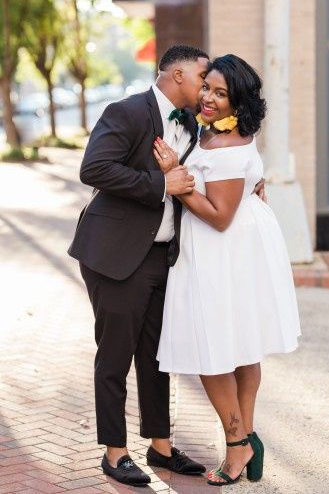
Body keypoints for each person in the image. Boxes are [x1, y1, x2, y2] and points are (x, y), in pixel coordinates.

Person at [154, 54, 301, 486]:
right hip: (238, 245)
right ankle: (246, 437)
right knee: (237, 346)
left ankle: (237, 444)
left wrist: (176, 178)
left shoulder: (227, 147)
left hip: (221, 247)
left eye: (221, 94)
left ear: (238, 103)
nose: (209, 98)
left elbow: (218, 215)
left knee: (212, 351)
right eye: (207, 88)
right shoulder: (220, 132)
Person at [68, 45, 211, 487]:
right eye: (203, 79)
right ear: (179, 75)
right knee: (115, 356)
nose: (207, 89)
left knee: (157, 357)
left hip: (163, 256)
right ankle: (115, 452)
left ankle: (161, 448)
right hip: (116, 255)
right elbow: (94, 168)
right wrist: (158, 183)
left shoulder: (193, 124)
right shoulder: (128, 111)